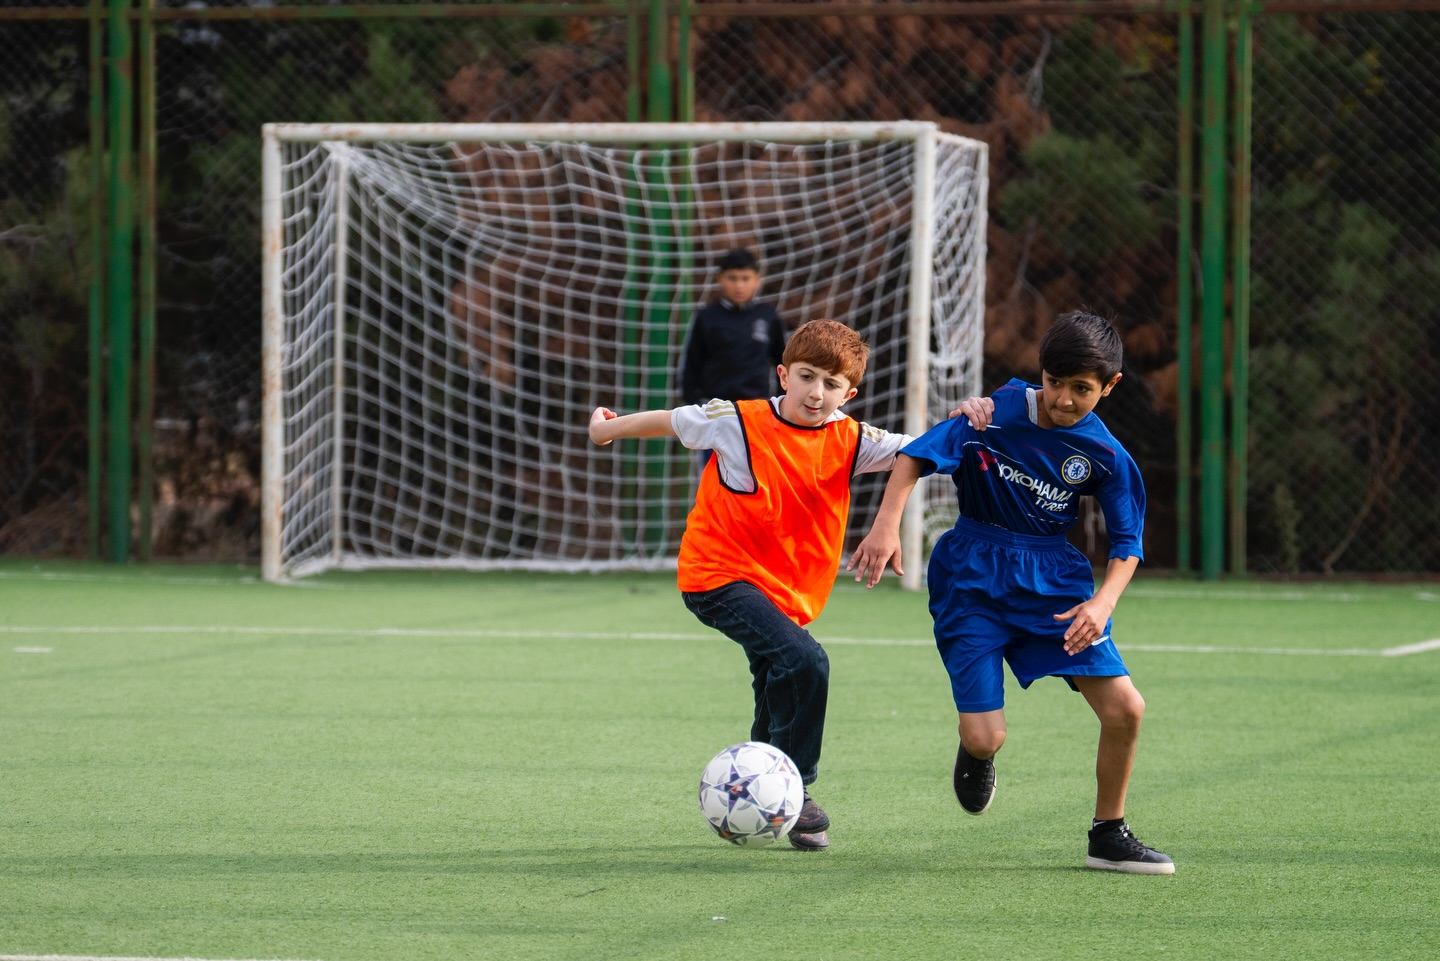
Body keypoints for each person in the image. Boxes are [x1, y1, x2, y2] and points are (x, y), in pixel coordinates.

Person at [848, 310, 1174, 875]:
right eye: (1054, 382)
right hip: (971, 578)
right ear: (1040, 371)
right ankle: (977, 751)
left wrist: (1102, 603)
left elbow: (1128, 543)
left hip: (1053, 587)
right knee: (986, 736)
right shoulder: (991, 413)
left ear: (1110, 386)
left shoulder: (1106, 456)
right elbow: (915, 455)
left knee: (1126, 709)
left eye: (1081, 389)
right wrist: (885, 526)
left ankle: (1108, 834)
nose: (1064, 399)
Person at [590, 319, 912, 851]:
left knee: (776, 684)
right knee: (806, 662)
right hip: (716, 576)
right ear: (783, 375)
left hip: (786, 593)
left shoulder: (853, 438)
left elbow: (921, 452)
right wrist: (607, 430)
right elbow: (671, 421)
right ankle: (798, 789)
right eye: (806, 377)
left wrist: (889, 522)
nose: (816, 393)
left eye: (831, 384)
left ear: (849, 395)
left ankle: (766, 797)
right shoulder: (736, 420)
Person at [679, 249, 787, 469]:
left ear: (757, 280)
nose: (739, 285)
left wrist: (781, 404)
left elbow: (783, 364)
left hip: (758, 410)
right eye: (733, 278)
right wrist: (693, 405)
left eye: (745, 278)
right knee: (714, 474)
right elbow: (691, 365)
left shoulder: (767, 317)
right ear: (720, 279)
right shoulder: (706, 318)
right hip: (715, 411)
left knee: (756, 473)